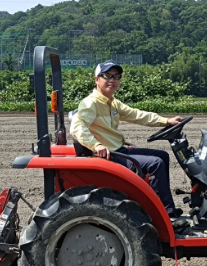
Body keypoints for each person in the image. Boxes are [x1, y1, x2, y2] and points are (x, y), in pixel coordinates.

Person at [70, 60, 188, 229]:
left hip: (117, 149)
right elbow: (77, 127)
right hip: (107, 155)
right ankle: (166, 217)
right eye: (107, 76)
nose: (112, 80)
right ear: (97, 79)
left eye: (116, 76)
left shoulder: (112, 103)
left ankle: (164, 208)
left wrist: (165, 121)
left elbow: (136, 115)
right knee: (155, 164)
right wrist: (96, 145)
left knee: (162, 155)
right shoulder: (91, 103)